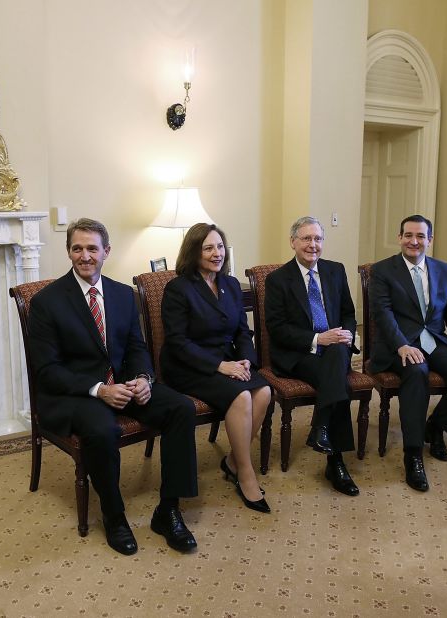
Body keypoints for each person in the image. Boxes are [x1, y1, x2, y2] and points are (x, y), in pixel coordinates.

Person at [28, 218, 200, 556]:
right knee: (102, 430)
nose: (85, 255)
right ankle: (114, 514)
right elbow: (46, 370)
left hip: (123, 383)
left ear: (106, 251)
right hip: (76, 393)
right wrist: (98, 389)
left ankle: (168, 510)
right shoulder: (47, 302)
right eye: (77, 248)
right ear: (68, 252)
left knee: (181, 408)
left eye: (92, 248)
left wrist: (143, 379)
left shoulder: (123, 294)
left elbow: (137, 347)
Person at [161, 223, 272, 514]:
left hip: (228, 361)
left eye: (220, 246)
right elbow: (177, 342)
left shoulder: (231, 284)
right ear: (194, 251)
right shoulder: (178, 288)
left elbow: (241, 332)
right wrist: (221, 366)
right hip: (189, 366)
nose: (216, 253)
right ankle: (245, 473)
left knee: (263, 391)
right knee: (242, 396)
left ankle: (233, 461)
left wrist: (246, 359)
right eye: (208, 247)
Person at [369, 214, 447, 492]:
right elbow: (382, 315)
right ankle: (413, 454)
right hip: (399, 345)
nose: (414, 241)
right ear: (399, 238)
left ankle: (435, 427)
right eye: (408, 235)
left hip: (435, 341)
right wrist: (402, 345)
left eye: (420, 236)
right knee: (416, 372)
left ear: (430, 241)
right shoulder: (383, 271)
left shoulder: (444, 271)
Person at [264, 216, 361, 497]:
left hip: (334, 349)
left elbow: (348, 313)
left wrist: (347, 334)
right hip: (299, 354)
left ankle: (323, 434)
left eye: (318, 239)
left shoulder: (336, 270)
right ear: (293, 242)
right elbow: (277, 329)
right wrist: (319, 338)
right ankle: (336, 463)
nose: (312, 245)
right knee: (338, 379)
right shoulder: (278, 279)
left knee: (338, 354)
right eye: (306, 239)